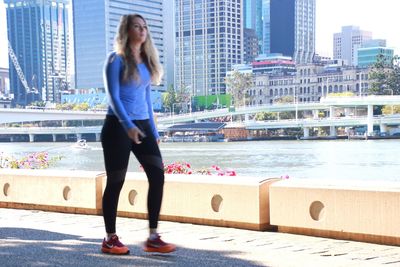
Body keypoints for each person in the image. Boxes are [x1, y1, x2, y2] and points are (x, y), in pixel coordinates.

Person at [100, 14, 176, 255]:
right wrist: (127, 125)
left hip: (143, 125)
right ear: (127, 30)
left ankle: (153, 237)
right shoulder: (115, 60)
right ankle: (110, 238)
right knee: (116, 182)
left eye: (145, 27)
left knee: (157, 175)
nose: (142, 30)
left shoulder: (146, 61)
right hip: (117, 127)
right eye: (137, 26)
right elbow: (113, 95)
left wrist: (153, 132)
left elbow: (146, 99)